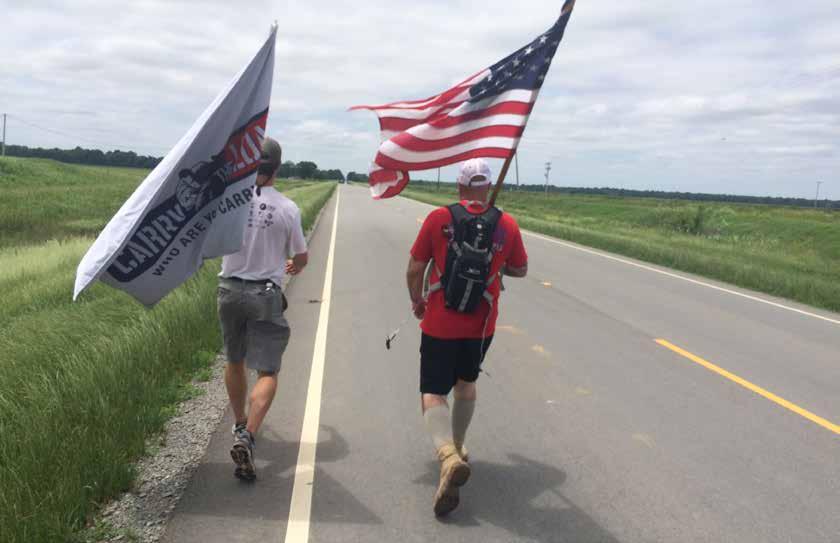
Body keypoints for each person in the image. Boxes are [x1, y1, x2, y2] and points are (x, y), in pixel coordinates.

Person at [406, 158, 528, 516]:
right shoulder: (506, 224)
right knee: (466, 383)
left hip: (440, 321)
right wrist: (496, 262)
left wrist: (417, 300)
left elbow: (415, 268)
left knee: (433, 391)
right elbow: (520, 268)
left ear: (459, 186)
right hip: (482, 324)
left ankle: (447, 456)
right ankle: (458, 444)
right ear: (487, 187)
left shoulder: (439, 218)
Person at [217, 137, 308, 482]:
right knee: (267, 371)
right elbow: (301, 256)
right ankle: (248, 436)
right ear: (278, 168)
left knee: (234, 359)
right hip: (264, 293)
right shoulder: (287, 208)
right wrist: (295, 265)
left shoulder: (231, 201)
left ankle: (240, 422)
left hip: (228, 290)